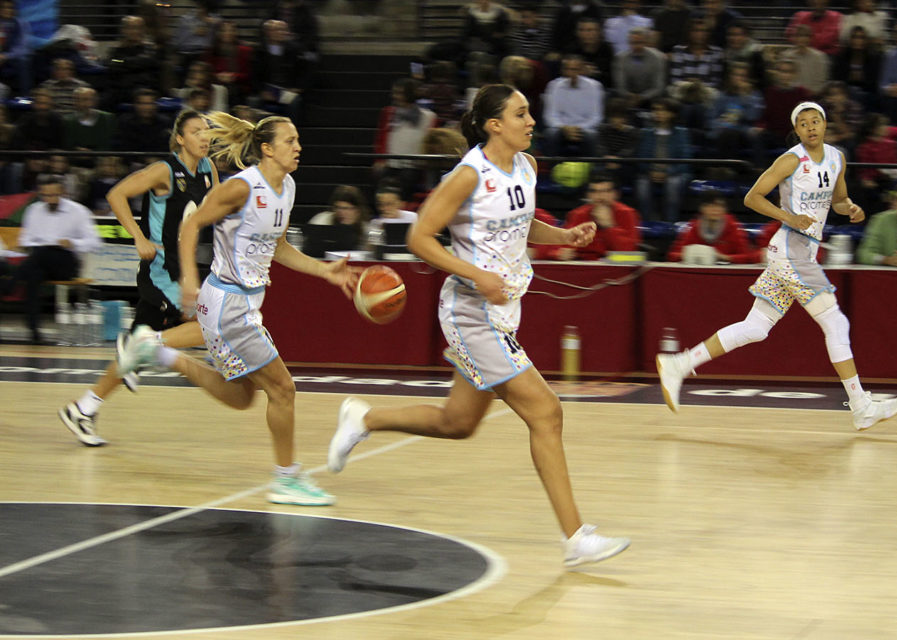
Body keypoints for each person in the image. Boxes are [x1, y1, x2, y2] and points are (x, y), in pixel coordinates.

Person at [327, 84, 631, 568]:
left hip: (504, 311)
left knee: (458, 423)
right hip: (470, 311)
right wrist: (475, 274)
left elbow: (523, 223)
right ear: (495, 125)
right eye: (521, 113)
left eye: (529, 112)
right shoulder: (468, 175)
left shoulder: (527, 167)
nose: (531, 121)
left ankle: (364, 419)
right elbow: (419, 237)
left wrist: (564, 236)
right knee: (547, 412)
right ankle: (575, 538)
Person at [115, 112, 360, 506]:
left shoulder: (288, 187)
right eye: (290, 141)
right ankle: (287, 479)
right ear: (266, 149)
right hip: (228, 303)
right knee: (283, 389)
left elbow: (277, 247)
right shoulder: (241, 188)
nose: (298, 147)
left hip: (243, 303)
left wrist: (323, 271)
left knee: (244, 396)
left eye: (298, 140)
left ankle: (155, 349)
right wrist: (190, 282)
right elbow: (190, 228)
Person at [656, 102, 897, 431]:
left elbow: (839, 198)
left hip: (798, 253)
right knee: (836, 322)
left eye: (815, 121)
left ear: (825, 124)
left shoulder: (837, 157)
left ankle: (679, 364)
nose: (811, 127)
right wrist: (789, 216)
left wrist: (851, 208)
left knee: (756, 327)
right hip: (792, 251)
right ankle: (861, 406)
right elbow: (752, 197)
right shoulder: (790, 160)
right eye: (803, 124)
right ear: (797, 131)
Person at [59, 110, 218, 447]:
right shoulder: (164, 170)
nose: (204, 136)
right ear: (180, 139)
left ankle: (84, 408)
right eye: (196, 131)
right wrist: (138, 237)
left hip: (186, 266)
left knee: (135, 353)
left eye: (207, 130)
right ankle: (143, 347)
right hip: (160, 271)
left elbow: (217, 210)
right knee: (204, 324)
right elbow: (116, 194)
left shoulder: (208, 170)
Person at [1, 174, 101, 344]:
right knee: (35, 274)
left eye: (54, 195)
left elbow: (95, 242)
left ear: (63, 192)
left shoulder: (78, 211)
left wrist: (72, 243)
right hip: (39, 260)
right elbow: (26, 240)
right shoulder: (34, 210)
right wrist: (41, 244)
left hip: (66, 262)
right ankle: (34, 332)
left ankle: (10, 285)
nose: (50, 199)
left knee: (45, 253)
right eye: (46, 195)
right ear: (41, 194)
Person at [550, 171, 640, 260]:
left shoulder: (627, 213)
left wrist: (608, 226)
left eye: (606, 191)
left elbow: (629, 253)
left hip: (615, 268)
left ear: (615, 194)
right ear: (589, 195)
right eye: (595, 192)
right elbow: (562, 247)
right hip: (585, 266)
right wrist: (559, 254)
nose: (600, 197)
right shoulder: (578, 214)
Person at [666, 190, 756, 263]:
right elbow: (672, 255)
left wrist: (724, 257)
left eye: (720, 206)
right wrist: (690, 254)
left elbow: (748, 257)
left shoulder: (733, 227)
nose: (715, 210)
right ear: (702, 209)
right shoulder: (694, 227)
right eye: (710, 206)